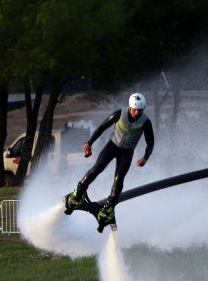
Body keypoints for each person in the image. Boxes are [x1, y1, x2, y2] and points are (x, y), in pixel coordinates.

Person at [66, 93, 154, 223]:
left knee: (119, 179)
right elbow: (102, 127)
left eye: (140, 110)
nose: (136, 112)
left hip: (127, 152)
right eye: (134, 109)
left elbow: (150, 142)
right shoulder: (119, 114)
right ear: (130, 107)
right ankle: (78, 193)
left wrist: (145, 157)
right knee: (97, 168)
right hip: (112, 146)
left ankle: (109, 207)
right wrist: (89, 143)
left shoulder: (146, 122)